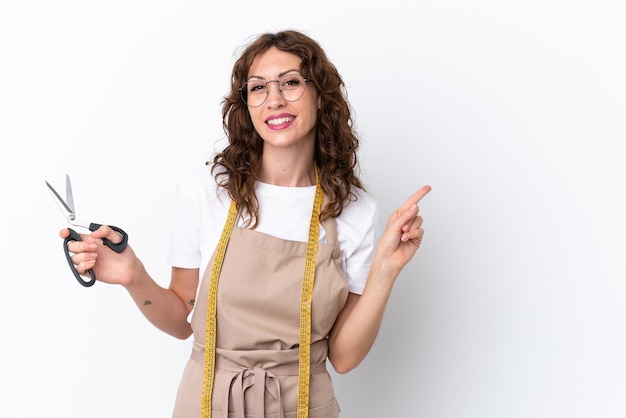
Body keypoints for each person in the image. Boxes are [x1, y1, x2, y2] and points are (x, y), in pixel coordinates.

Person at [59, 29, 431, 418]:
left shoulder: (356, 211)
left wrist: (386, 271)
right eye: (258, 88)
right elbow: (180, 323)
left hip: (305, 406)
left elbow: (343, 356)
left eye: (290, 83)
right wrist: (132, 275)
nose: (274, 100)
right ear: (247, 105)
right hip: (206, 402)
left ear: (321, 94)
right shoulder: (208, 192)